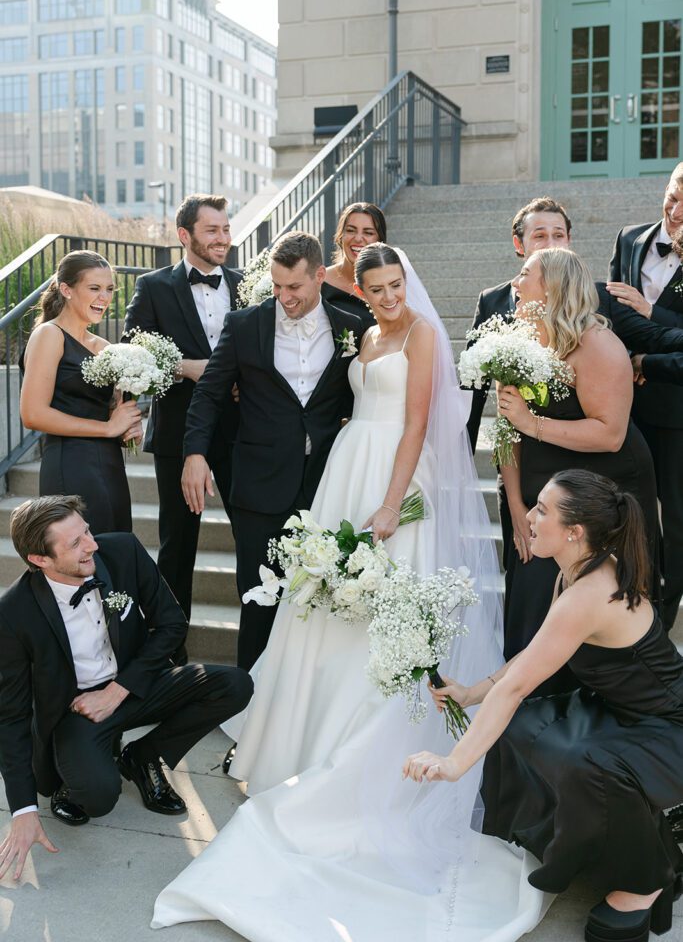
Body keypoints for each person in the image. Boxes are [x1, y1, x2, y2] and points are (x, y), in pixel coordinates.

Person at [152, 247, 519, 942]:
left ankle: (370, 750)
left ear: (404, 281)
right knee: (319, 607)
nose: (383, 296)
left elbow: (415, 424)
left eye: (392, 285)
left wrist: (390, 504)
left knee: (386, 611)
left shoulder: (415, 332)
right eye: (374, 286)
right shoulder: (362, 329)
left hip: (391, 479)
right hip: (341, 470)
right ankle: (302, 736)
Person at [404, 469, 683, 942]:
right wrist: (472, 692)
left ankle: (647, 878)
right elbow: (534, 654)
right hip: (619, 709)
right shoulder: (577, 569)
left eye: (542, 509)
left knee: (586, 763)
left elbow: (516, 689)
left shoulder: (591, 592)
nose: (529, 516)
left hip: (667, 725)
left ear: (574, 531)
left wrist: (454, 763)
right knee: (522, 732)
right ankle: (584, 844)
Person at [0, 495, 252, 882]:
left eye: (86, 531)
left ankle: (145, 756)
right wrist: (23, 810)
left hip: (133, 683)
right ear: (40, 560)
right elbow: (13, 714)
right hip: (76, 709)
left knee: (234, 685)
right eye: (76, 543)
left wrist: (117, 690)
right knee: (98, 799)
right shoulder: (13, 612)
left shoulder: (122, 551)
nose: (92, 545)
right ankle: (74, 778)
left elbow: (171, 625)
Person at [181, 230, 367, 672]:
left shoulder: (351, 328)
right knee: (260, 601)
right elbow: (208, 393)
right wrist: (195, 453)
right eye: (277, 286)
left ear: (320, 276)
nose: (284, 296)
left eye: (295, 287)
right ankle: (250, 716)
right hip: (258, 489)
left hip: (324, 486)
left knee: (318, 602)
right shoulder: (245, 325)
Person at [498, 247, 659, 694]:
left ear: (551, 286)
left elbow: (610, 433)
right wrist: (515, 505)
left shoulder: (597, 344)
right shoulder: (519, 342)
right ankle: (527, 712)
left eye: (524, 274)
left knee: (598, 617)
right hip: (543, 504)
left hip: (605, 499)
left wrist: (533, 423)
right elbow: (506, 433)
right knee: (530, 612)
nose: (515, 282)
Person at [124, 194, 243, 664]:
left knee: (256, 538)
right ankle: (169, 660)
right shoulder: (154, 287)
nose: (223, 239)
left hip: (240, 434)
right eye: (212, 230)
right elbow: (134, 356)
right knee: (177, 548)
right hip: (177, 433)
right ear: (184, 235)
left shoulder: (248, 284)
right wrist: (186, 367)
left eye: (226, 229)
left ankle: (266, 654)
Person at [606, 163, 683, 630]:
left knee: (675, 526)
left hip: (677, 410)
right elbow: (614, 314)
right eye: (673, 196)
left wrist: (650, 319)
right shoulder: (629, 238)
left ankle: (659, 620)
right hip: (624, 406)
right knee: (626, 513)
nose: (675, 211)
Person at [20, 251, 141, 535]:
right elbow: (33, 414)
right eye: (94, 288)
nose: (104, 297)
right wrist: (108, 427)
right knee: (81, 558)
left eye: (109, 289)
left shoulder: (103, 346)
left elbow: (109, 415)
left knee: (115, 547)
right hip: (70, 463)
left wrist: (127, 430)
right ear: (66, 290)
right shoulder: (49, 335)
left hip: (110, 464)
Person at [466, 197, 572, 452]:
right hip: (514, 447)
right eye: (540, 236)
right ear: (519, 243)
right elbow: (474, 385)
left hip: (572, 442)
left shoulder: (596, 297)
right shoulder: (492, 300)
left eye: (558, 235)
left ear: (569, 239)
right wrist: (463, 451)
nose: (551, 245)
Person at [321, 201, 385, 321]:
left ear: (380, 240)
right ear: (340, 236)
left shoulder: (390, 285)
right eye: (351, 230)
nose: (358, 238)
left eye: (368, 232)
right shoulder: (319, 282)